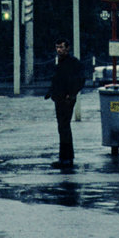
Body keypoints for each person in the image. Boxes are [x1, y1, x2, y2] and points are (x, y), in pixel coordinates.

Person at [44, 39, 84, 169]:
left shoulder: (73, 63)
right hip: (59, 98)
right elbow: (56, 80)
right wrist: (50, 92)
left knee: (64, 127)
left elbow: (80, 80)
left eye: (61, 47)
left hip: (67, 99)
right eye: (57, 47)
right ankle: (64, 158)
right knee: (62, 127)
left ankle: (67, 158)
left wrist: (71, 94)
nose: (59, 50)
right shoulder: (60, 63)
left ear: (68, 48)